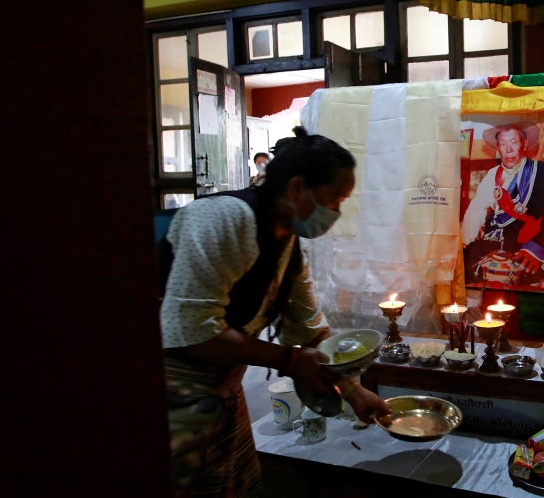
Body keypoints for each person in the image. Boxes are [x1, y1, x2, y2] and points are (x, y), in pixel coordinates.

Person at [159, 127, 388, 497]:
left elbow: (307, 326)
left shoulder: (286, 240)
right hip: (174, 389)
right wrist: (289, 359)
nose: (336, 213)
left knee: (236, 485)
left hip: (222, 385)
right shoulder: (223, 219)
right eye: (333, 200)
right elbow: (190, 330)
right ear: (297, 188)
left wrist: (354, 391)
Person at [462, 121, 544, 286]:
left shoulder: (542, 171)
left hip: (526, 248)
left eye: (514, 142)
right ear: (498, 147)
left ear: (524, 144)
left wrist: (537, 250)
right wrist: (465, 243)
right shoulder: (492, 175)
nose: (508, 150)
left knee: (518, 275)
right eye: (503, 144)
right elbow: (476, 209)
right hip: (493, 246)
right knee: (467, 262)